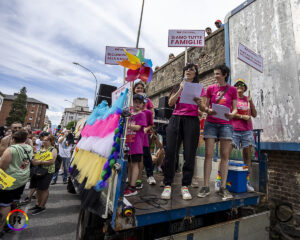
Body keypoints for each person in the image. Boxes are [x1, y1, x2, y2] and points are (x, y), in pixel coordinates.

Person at [161, 63, 206, 200]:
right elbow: (170, 103)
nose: (188, 71)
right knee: (170, 152)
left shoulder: (200, 88)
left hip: (191, 121)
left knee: (189, 153)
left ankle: (185, 186)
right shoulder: (177, 86)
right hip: (176, 119)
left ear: (196, 72)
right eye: (186, 69)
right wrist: (181, 89)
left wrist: (199, 103)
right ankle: (167, 185)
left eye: (191, 69)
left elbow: (203, 108)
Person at [197, 65, 237, 200]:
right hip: (211, 123)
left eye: (218, 74)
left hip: (226, 124)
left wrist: (232, 114)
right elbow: (206, 106)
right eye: (214, 74)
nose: (215, 76)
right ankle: (206, 186)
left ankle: (223, 187)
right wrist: (207, 110)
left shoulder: (232, 90)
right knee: (208, 154)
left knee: (225, 156)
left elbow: (235, 108)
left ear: (225, 74)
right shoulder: (210, 88)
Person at [0, 130, 33, 237]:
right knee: (15, 201)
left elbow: (2, 167)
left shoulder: (11, 150)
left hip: (10, 180)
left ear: (13, 139)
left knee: (5, 205)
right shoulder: (29, 148)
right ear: (25, 139)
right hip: (22, 179)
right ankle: (12, 223)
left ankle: (1, 228)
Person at [231, 78, 257, 191]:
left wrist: (251, 102)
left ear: (245, 88)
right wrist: (242, 116)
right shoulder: (233, 99)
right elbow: (230, 114)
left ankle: (247, 181)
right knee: (226, 153)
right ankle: (220, 179)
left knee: (247, 156)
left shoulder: (248, 99)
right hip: (234, 130)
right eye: (237, 85)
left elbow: (254, 115)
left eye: (242, 85)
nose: (239, 86)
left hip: (247, 130)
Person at [124, 94, 147, 196]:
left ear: (142, 105)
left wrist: (128, 124)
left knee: (135, 164)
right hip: (128, 144)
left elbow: (138, 127)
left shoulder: (141, 115)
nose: (137, 104)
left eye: (139, 102)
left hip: (136, 145)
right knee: (129, 165)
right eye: (135, 102)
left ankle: (133, 187)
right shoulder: (130, 114)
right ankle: (129, 184)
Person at [29, 135, 57, 215]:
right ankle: (37, 205)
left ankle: (42, 206)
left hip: (47, 171)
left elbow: (52, 161)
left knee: (44, 189)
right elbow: (37, 157)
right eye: (43, 140)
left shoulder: (53, 149)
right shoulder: (42, 148)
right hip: (39, 171)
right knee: (38, 188)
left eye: (46, 140)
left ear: (51, 141)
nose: (44, 141)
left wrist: (39, 162)